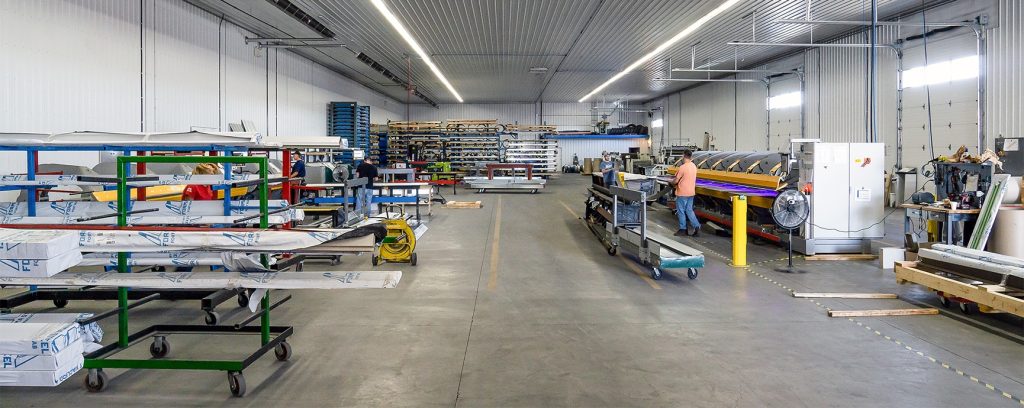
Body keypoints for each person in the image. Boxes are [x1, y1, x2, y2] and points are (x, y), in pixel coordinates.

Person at [672, 149, 700, 237]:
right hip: (691, 192)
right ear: (691, 156)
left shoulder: (683, 167)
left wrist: (671, 183)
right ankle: (697, 226)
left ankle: (683, 229)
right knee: (689, 210)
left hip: (682, 193)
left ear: (684, 156)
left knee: (681, 211)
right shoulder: (694, 166)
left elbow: (676, 180)